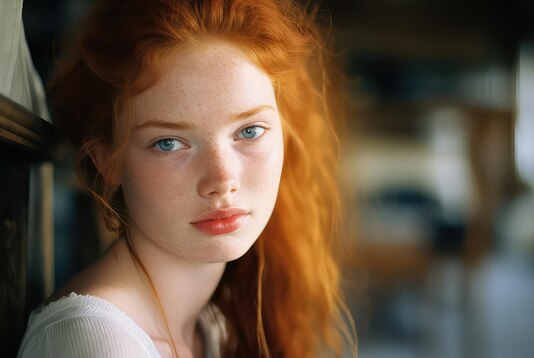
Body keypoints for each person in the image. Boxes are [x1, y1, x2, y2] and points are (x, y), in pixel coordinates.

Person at [17, 0, 356, 356]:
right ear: (105, 159)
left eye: (250, 130)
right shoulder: (93, 341)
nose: (223, 179)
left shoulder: (214, 329)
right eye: (169, 143)